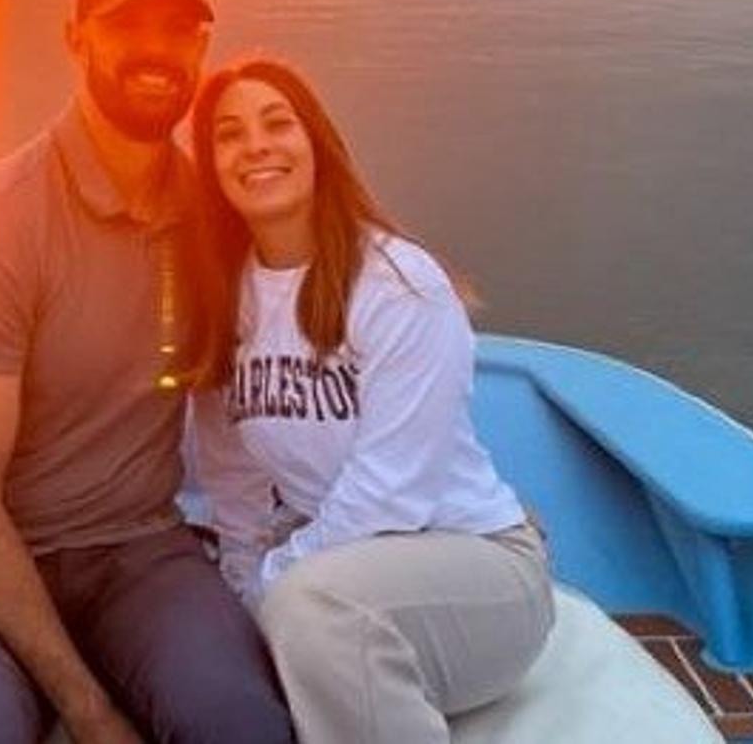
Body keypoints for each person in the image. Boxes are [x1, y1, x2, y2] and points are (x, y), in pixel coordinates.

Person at [0, 0, 295, 744]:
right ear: (76, 38)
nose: (156, 49)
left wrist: (420, 292)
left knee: (247, 728)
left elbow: (320, 254)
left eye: (179, 27)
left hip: (141, 548)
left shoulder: (213, 208)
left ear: (201, 44)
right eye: (126, 24)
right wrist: (88, 707)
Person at [186, 57, 554, 744]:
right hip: (345, 572)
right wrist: (243, 583)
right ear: (212, 168)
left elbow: (391, 493)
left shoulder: (395, 283)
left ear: (316, 143)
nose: (257, 145)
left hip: (481, 569)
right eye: (229, 134)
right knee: (258, 619)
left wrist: (274, 588)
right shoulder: (222, 298)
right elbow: (231, 482)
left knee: (310, 606)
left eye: (277, 123)